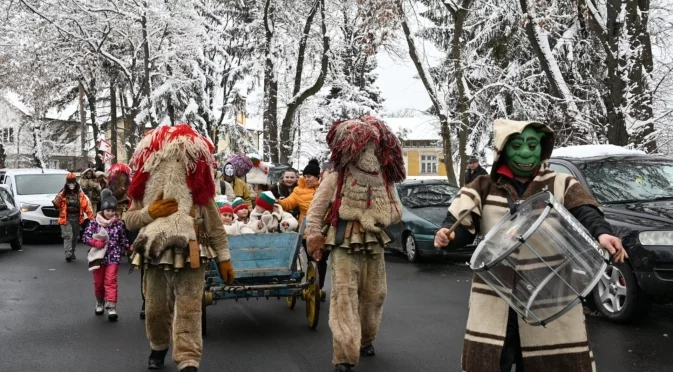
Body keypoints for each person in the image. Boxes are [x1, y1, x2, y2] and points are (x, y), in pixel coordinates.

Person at [433, 119, 627, 372]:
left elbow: (586, 212)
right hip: (496, 297)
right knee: (491, 361)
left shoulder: (560, 183)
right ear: (503, 150)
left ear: (542, 148)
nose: (525, 152)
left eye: (532, 144)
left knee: (552, 363)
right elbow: (459, 225)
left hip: (549, 295)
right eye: (516, 145)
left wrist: (603, 233)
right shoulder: (481, 186)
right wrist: (447, 236)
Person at [123, 124, 235, 372]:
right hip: (154, 251)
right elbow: (129, 219)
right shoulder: (145, 188)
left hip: (191, 250)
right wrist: (148, 212)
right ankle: (159, 346)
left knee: (189, 307)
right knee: (155, 308)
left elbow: (214, 224)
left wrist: (224, 258)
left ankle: (188, 359)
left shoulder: (198, 189)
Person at [305, 116, 406, 372]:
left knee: (375, 296)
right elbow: (316, 211)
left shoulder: (384, 179)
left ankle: (366, 339)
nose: (368, 153)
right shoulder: (336, 177)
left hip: (374, 244)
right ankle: (343, 354)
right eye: (363, 147)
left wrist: (377, 216)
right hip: (343, 244)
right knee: (344, 297)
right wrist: (314, 239)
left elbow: (397, 211)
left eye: (372, 147)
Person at [82, 189, 130, 321]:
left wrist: (130, 248)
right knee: (98, 283)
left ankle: (111, 307)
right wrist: (94, 242)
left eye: (113, 210)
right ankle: (99, 301)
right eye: (108, 210)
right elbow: (85, 237)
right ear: (103, 209)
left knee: (110, 281)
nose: (110, 213)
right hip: (98, 257)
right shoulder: (93, 223)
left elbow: (123, 240)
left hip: (113, 256)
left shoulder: (119, 224)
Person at [277, 159, 326, 289]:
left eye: (309, 176)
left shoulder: (325, 188)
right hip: (307, 230)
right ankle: (312, 286)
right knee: (312, 260)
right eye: (304, 176)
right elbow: (288, 203)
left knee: (322, 261)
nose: (307, 179)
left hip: (325, 229)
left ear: (317, 176)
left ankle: (318, 288)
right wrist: (276, 202)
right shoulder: (298, 190)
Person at [52, 173, 95, 262]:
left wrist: (92, 219)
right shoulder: (62, 193)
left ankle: (72, 252)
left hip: (76, 217)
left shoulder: (80, 193)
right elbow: (56, 205)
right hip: (65, 217)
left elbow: (86, 206)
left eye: (73, 182)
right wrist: (61, 195)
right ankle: (68, 254)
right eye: (69, 182)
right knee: (68, 236)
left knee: (75, 236)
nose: (71, 184)